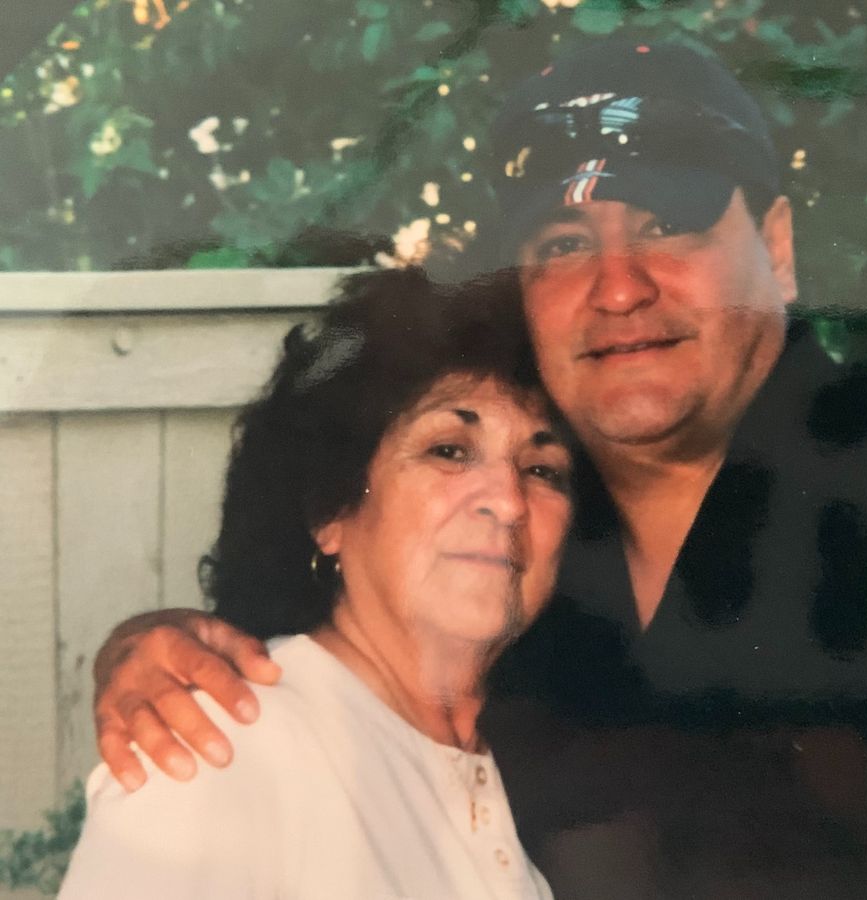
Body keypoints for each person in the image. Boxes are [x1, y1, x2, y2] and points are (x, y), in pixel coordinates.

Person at [89, 40, 867, 896]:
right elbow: (312, 689)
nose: (617, 287)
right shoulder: (512, 531)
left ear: (776, 249)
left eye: (667, 225)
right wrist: (152, 655)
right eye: (564, 245)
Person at [60, 268, 571, 898]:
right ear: (331, 509)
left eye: (542, 468)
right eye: (448, 450)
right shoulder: (222, 745)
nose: (510, 502)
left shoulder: (522, 764)